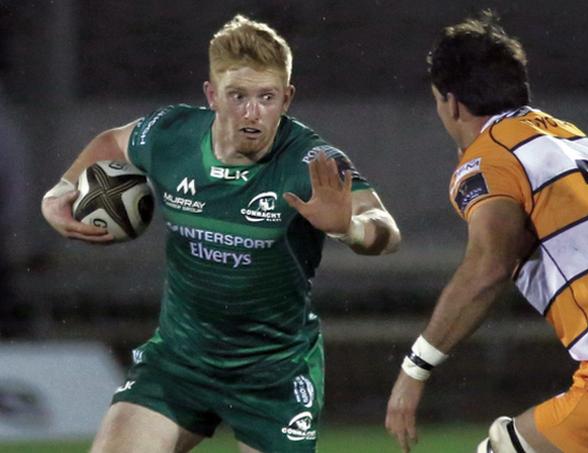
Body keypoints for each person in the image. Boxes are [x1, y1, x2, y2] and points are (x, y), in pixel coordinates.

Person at [41, 15, 400, 453]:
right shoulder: (173, 134)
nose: (252, 113)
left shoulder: (312, 161)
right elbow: (112, 142)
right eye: (238, 96)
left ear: (287, 98)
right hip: (180, 361)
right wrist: (60, 190)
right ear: (211, 95)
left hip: (274, 374)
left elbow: (386, 231)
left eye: (267, 97)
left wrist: (350, 227)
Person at [385, 11, 588, 453]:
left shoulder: (488, 158)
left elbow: (489, 266)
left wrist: (414, 369)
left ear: (452, 103)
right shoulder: (575, 139)